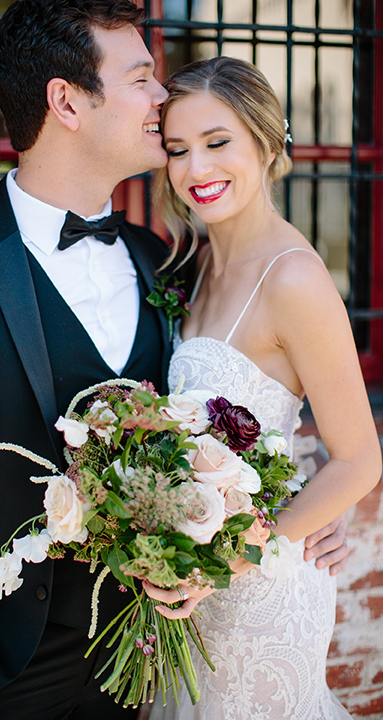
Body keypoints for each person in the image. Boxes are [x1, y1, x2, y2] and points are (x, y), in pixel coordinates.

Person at [0, 3, 349, 717]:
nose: (161, 98)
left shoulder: (165, 265)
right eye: (143, 77)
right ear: (67, 100)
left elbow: (246, 407)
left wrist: (303, 508)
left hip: (160, 651)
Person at [143, 57, 382, 720]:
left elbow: (360, 458)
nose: (197, 170)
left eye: (218, 143)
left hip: (260, 593)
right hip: (193, 589)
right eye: (178, 150)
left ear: (266, 139)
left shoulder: (294, 280)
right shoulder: (195, 265)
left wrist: (232, 557)